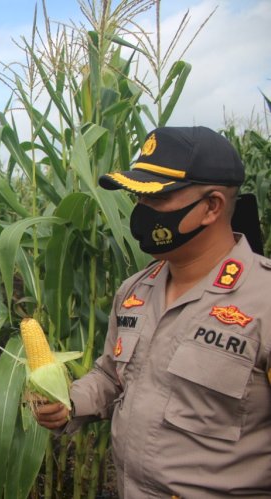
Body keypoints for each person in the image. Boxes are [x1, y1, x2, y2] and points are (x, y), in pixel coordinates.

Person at [34, 126, 271, 497]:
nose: (141, 214)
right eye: (138, 199)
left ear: (212, 206)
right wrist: (70, 404)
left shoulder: (264, 302)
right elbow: (112, 377)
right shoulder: (134, 291)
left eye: (156, 199)